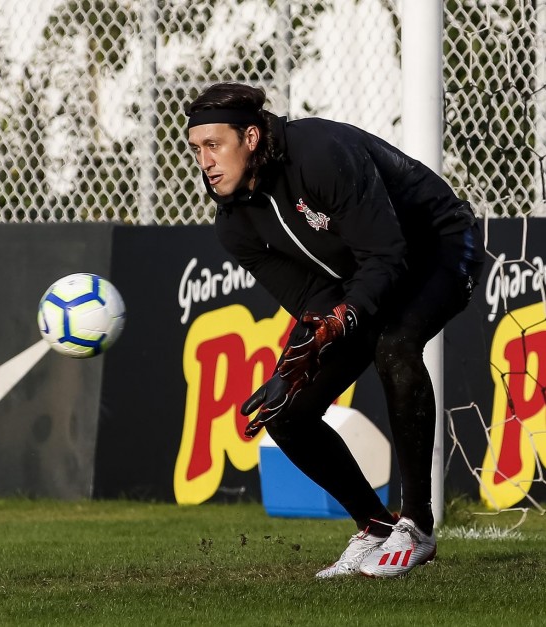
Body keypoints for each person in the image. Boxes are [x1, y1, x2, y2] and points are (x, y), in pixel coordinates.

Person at [185, 82, 485, 579]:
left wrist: (343, 317)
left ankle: (417, 527)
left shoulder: (321, 154)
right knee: (287, 415)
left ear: (252, 137)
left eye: (214, 145)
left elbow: (389, 254)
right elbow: (312, 298)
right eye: (195, 149)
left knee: (395, 344)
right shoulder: (234, 224)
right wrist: (303, 352)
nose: (204, 160)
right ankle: (375, 528)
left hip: (439, 247)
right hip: (366, 278)